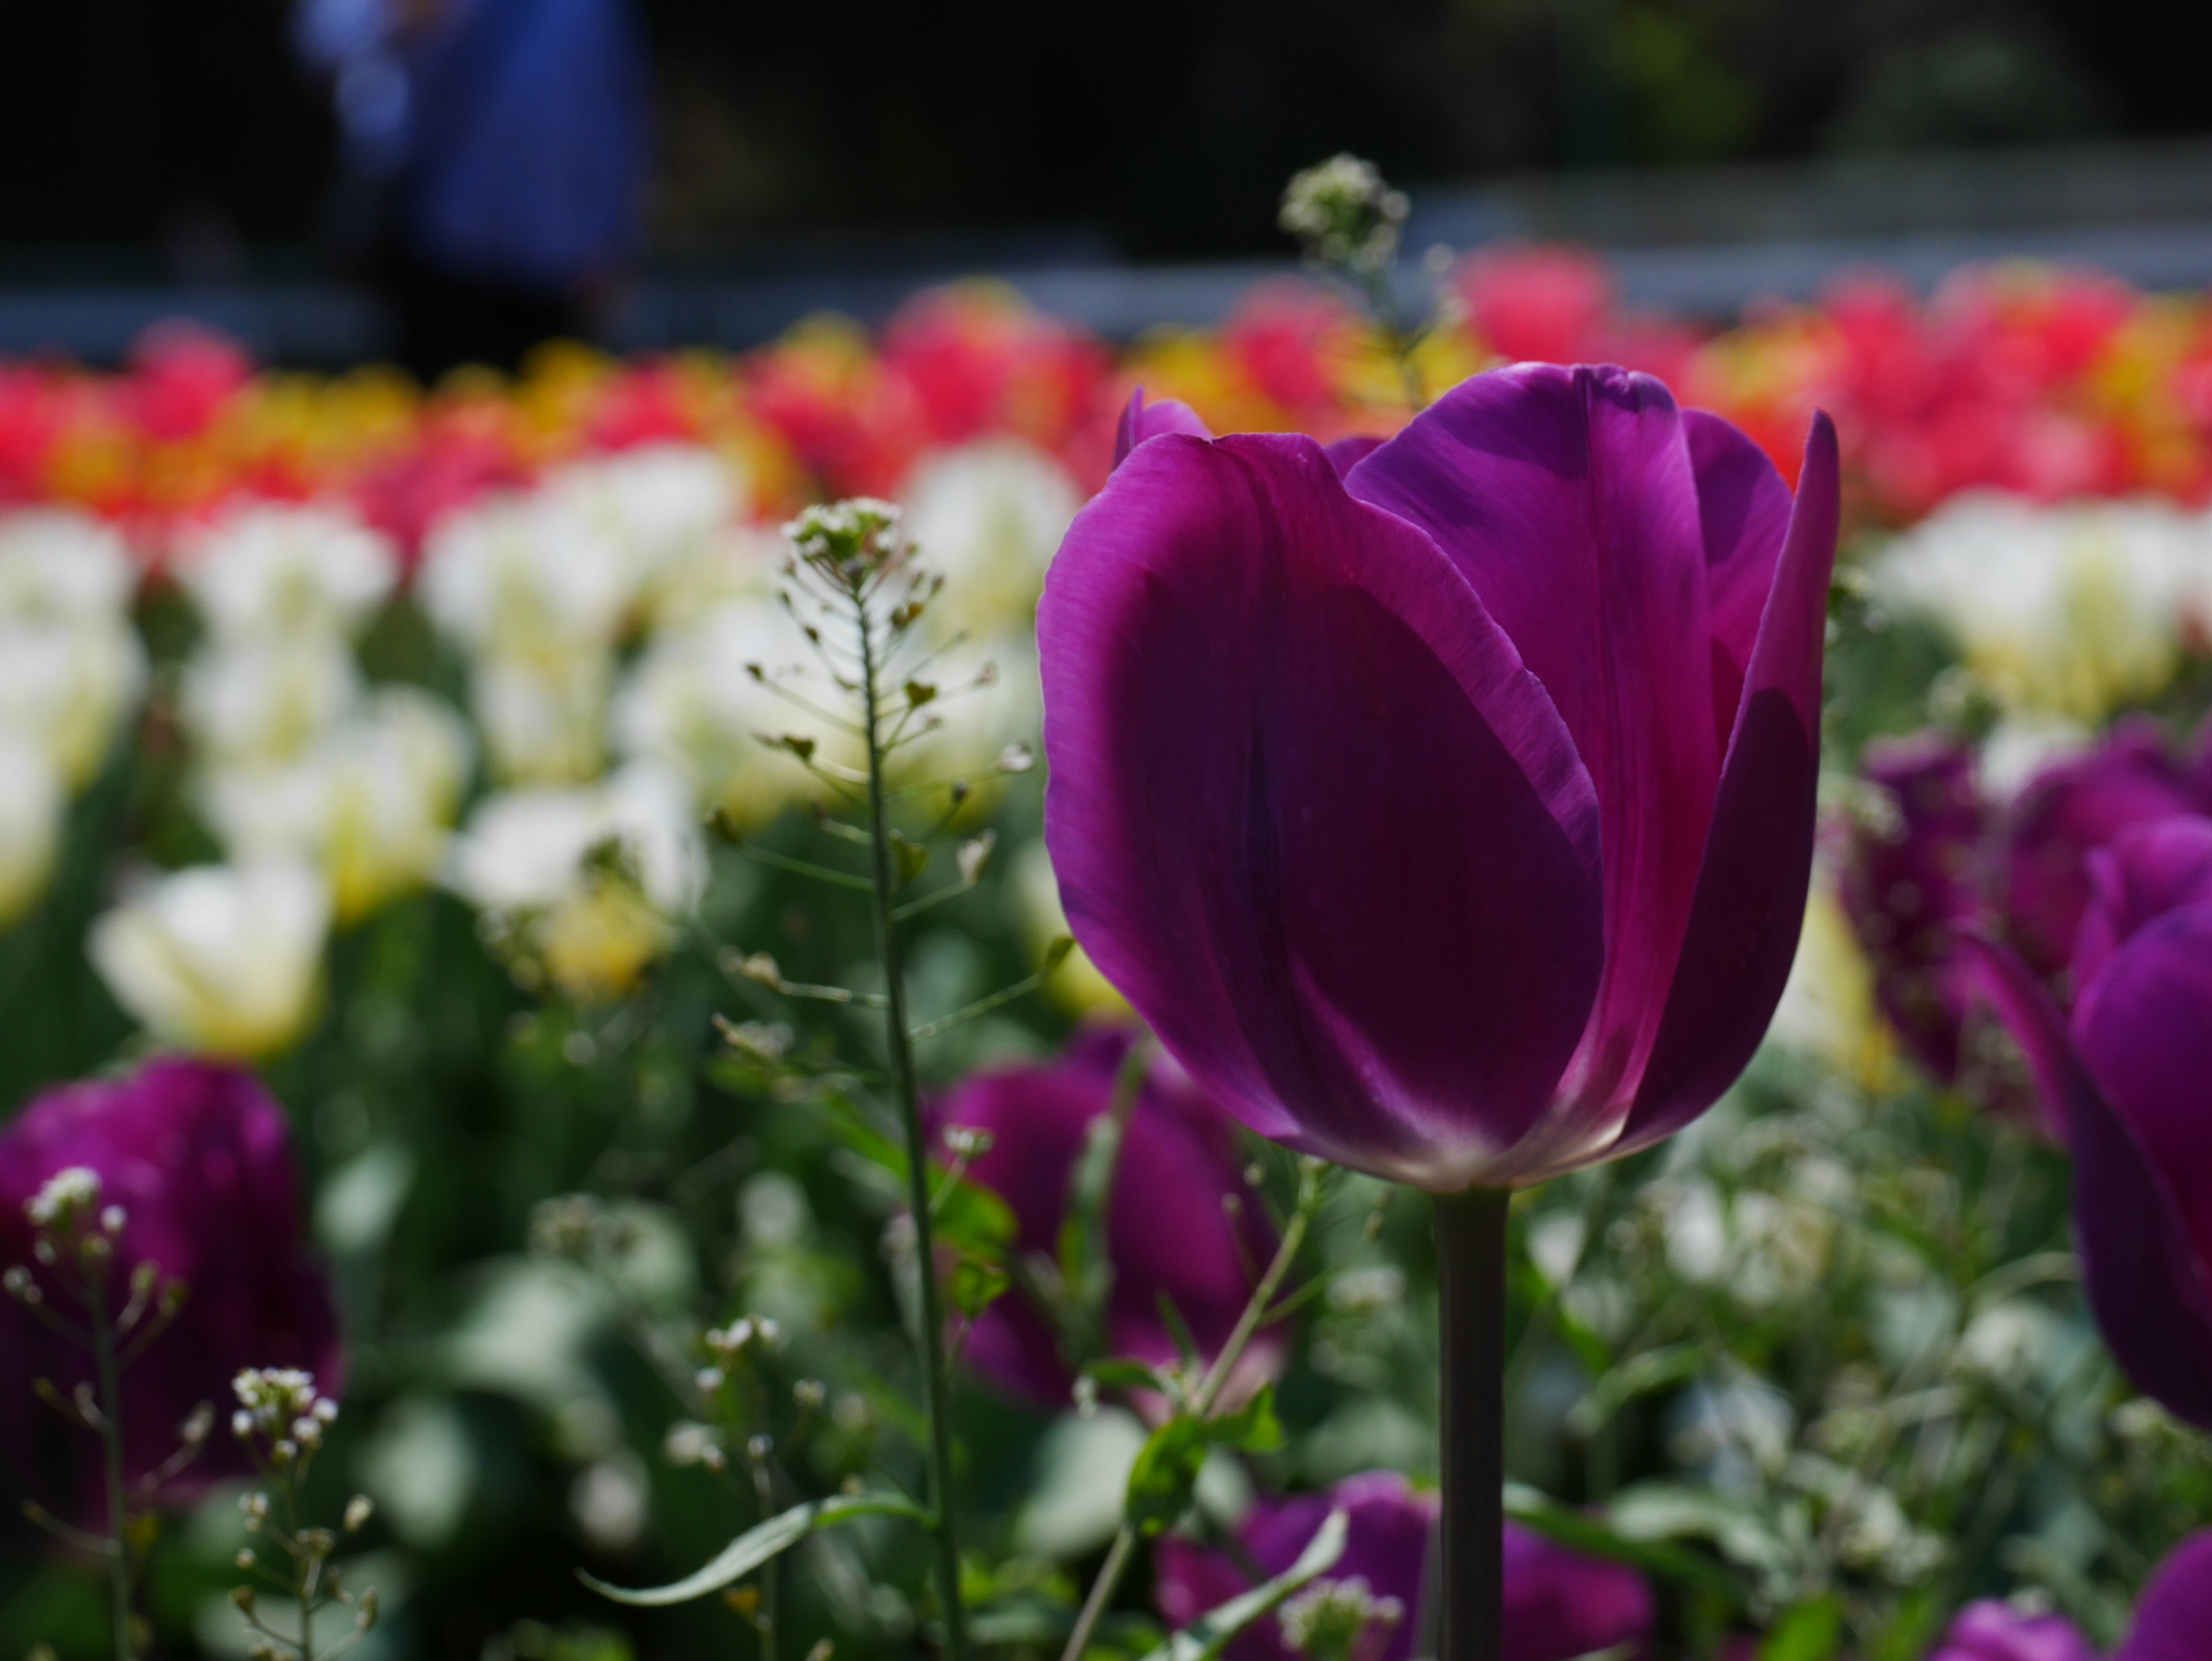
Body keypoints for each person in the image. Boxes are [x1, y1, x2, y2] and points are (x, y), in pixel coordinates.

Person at [296, 0, 652, 379]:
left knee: (553, 417)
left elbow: (616, 109)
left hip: (555, 260)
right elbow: (322, 45)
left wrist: (615, 235)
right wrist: (395, 17)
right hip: (437, 249)